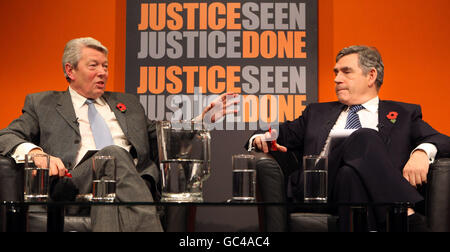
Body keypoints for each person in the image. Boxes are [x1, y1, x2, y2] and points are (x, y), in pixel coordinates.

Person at [0, 37, 237, 232]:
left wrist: (202, 121)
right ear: (70, 70)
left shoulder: (128, 103)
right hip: (76, 181)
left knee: (110, 195)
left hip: (130, 183)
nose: (103, 72)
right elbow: (6, 135)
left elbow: (163, 136)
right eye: (93, 66)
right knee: (112, 154)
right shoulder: (43, 103)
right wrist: (35, 152)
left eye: (105, 66)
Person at [248, 45, 450, 231]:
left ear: (371, 76)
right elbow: (278, 132)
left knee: (350, 174)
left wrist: (422, 152)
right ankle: (404, 212)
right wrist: (261, 138)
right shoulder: (316, 112)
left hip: (358, 188)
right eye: (335, 72)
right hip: (318, 187)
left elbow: (442, 140)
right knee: (365, 136)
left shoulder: (404, 114)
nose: (336, 79)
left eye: (346, 72)